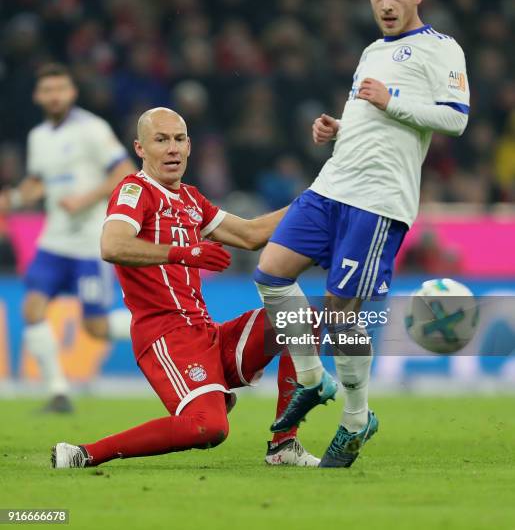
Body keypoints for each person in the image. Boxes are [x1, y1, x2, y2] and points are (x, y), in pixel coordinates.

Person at [254, 0, 470, 467]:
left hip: (376, 201)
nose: (387, 5)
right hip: (332, 184)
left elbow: (456, 119)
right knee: (271, 273)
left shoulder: (440, 49)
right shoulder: (372, 50)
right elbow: (370, 118)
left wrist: (391, 100)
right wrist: (335, 130)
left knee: (340, 316)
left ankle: (356, 418)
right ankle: (312, 380)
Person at [51, 107, 318, 468]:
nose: (172, 149)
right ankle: (84, 453)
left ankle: (284, 444)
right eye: (161, 140)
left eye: (178, 139)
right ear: (140, 148)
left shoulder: (191, 200)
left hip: (205, 333)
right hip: (165, 336)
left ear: (190, 145)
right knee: (209, 428)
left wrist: (317, 201)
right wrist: (184, 252)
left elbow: (251, 234)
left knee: (298, 320)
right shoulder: (134, 190)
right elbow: (112, 245)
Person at [0, 63, 135, 412]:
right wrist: (12, 199)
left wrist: (84, 199)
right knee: (32, 308)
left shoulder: (92, 128)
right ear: (38, 96)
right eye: (48, 90)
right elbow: (37, 183)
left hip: (90, 244)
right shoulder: (38, 137)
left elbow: (125, 172)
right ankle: (58, 392)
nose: (54, 95)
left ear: (72, 92)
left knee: (96, 328)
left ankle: (167, 326)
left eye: (61, 88)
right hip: (54, 242)